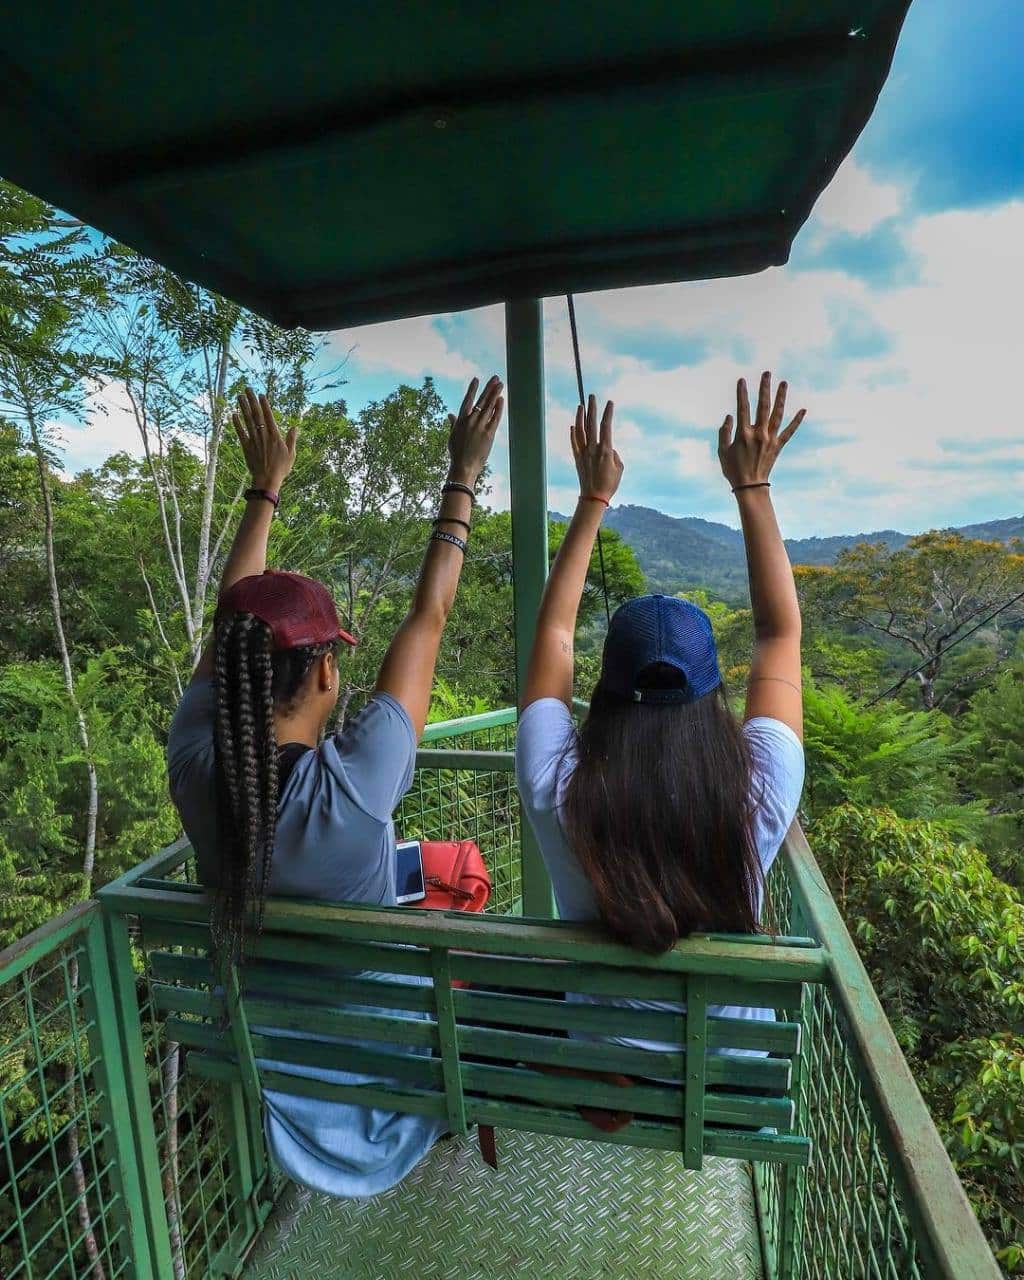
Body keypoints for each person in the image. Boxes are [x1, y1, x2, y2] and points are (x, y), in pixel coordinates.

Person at [167, 375, 503, 1196]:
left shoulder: (195, 763)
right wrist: (463, 474)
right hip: (385, 1069)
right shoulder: (354, 789)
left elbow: (231, 627)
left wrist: (262, 490)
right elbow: (428, 617)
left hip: (276, 1066)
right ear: (324, 668)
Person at [515, 372, 806, 1060]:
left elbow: (554, 635)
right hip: (726, 1073)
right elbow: (780, 636)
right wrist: (753, 487)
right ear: (713, 694)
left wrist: (592, 500)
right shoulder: (757, 784)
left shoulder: (557, 781)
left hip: (602, 1062)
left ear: (606, 689)